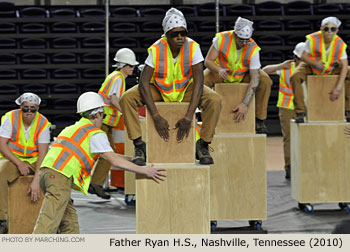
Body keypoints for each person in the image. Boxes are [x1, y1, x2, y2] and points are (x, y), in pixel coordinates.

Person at [33, 92, 166, 234]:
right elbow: (114, 160)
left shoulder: (72, 129)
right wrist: (145, 171)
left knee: (69, 224)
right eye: (104, 115)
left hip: (47, 175)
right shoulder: (95, 133)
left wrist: (132, 160)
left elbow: (109, 157)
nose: (103, 119)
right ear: (98, 114)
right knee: (47, 224)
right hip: (59, 177)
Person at [120, 8, 221, 166]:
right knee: (127, 98)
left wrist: (188, 117)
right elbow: (144, 83)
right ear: (167, 35)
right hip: (160, 90)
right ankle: (139, 145)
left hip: (186, 89)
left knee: (214, 99)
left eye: (183, 33)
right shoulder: (157, 49)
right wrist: (156, 116)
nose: (180, 37)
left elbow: (199, 83)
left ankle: (203, 144)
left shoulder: (193, 47)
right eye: (175, 34)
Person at [203, 16, 272, 134]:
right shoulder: (221, 39)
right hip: (222, 73)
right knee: (203, 79)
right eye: (241, 40)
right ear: (234, 35)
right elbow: (208, 61)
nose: (244, 43)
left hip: (243, 75)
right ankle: (204, 118)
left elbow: (255, 79)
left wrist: (245, 104)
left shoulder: (253, 48)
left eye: (247, 40)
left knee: (265, 80)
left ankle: (260, 119)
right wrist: (219, 70)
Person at [89, 48, 139, 200]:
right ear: (123, 65)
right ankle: (95, 183)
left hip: (104, 120)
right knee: (107, 151)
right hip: (102, 121)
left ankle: (95, 183)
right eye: (130, 66)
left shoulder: (115, 77)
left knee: (107, 151)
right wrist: (124, 110)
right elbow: (113, 98)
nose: (133, 68)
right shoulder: (118, 78)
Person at [0, 93, 50, 234]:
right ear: (20, 107)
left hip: (35, 160)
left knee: (53, 177)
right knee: (0, 175)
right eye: (25, 108)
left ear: (37, 108)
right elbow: (2, 145)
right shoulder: (10, 118)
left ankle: (55, 221)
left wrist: (36, 181)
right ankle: (2, 220)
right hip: (12, 159)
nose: (29, 112)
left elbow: (43, 154)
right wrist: (19, 163)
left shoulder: (43, 123)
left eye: (32, 109)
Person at [291, 16, 350, 123]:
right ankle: (300, 112)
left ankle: (348, 110)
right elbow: (304, 56)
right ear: (321, 29)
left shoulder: (340, 43)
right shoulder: (313, 38)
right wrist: (315, 63)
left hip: (331, 67)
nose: (329, 32)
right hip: (311, 66)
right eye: (326, 29)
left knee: (349, 71)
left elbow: (345, 65)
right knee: (295, 76)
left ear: (337, 30)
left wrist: (338, 87)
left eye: (332, 29)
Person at [263, 42, 305, 179]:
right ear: (296, 58)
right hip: (287, 107)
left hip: (306, 108)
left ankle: (306, 166)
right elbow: (264, 71)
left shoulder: (310, 69)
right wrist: (280, 65)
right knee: (289, 139)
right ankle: (290, 167)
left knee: (307, 137)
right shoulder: (287, 68)